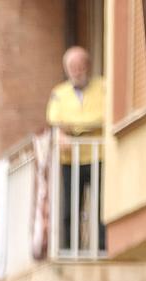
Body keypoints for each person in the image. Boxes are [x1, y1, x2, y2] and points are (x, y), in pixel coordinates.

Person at [45, 46, 107, 253]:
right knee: (71, 206)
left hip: (98, 155)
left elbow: (104, 116)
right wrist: (67, 130)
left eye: (80, 66)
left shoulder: (103, 86)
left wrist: (74, 126)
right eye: (72, 67)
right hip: (70, 158)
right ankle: (72, 248)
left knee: (101, 205)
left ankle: (101, 246)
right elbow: (54, 120)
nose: (77, 71)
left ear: (88, 66)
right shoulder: (58, 93)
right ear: (66, 69)